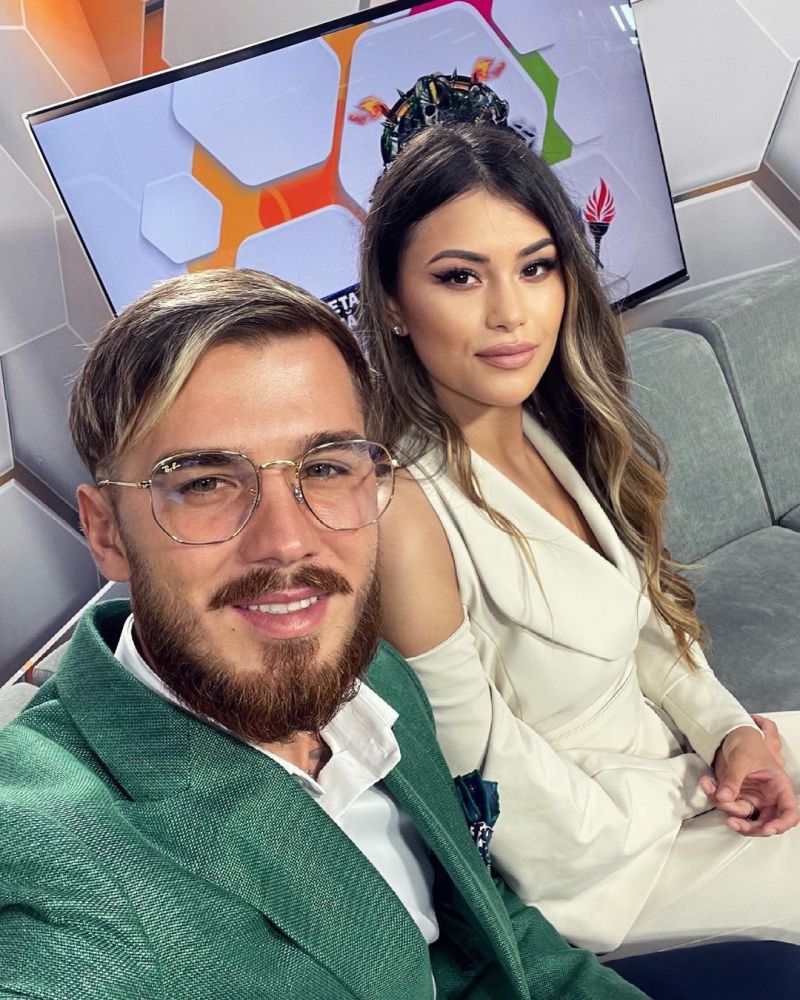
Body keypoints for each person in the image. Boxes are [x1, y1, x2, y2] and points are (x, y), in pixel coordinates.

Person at [1, 267, 662, 1000]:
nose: (288, 541)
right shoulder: (57, 863)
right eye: (204, 483)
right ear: (106, 533)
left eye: (322, 468)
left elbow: (493, 939)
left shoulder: (373, 673)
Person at [357, 123, 800, 958]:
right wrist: (691, 785)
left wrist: (729, 734)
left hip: (682, 782)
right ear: (391, 303)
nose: (510, 313)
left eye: (536, 268)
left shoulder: (551, 428)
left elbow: (644, 633)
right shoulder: (404, 511)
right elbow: (489, 789)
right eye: (459, 277)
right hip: (605, 871)